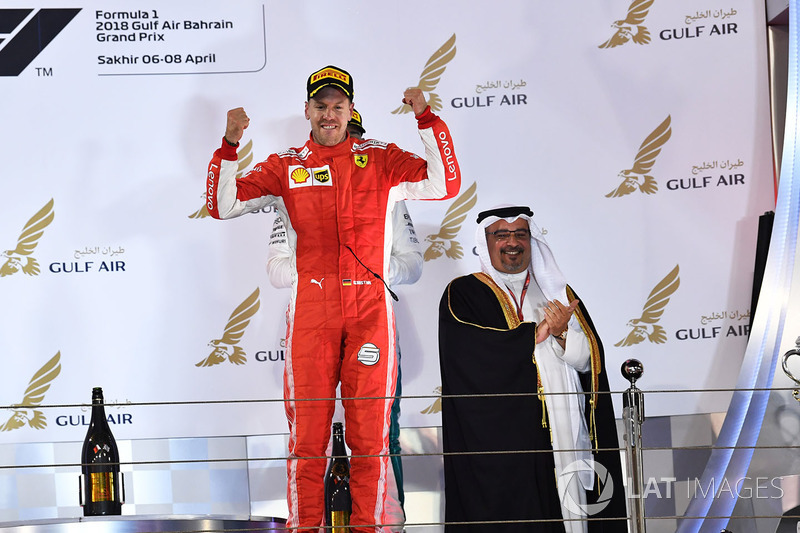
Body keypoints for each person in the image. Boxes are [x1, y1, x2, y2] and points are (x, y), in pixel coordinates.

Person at [205, 65, 461, 532]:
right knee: (307, 441)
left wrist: (427, 120)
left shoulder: (381, 157)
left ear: (350, 109)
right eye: (320, 106)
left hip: (369, 313)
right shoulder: (286, 164)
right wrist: (228, 146)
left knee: (371, 441)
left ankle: (370, 528)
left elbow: (445, 184)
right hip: (312, 316)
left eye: (337, 106)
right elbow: (221, 206)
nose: (329, 114)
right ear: (307, 110)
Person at [266, 109, 419, 531]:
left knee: (379, 437)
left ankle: (387, 521)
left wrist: (371, 272)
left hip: (373, 325)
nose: (354, 158)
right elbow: (277, 266)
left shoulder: (389, 196)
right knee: (310, 440)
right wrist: (320, 273)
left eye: (358, 141)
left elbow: (412, 264)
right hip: (317, 320)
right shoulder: (298, 195)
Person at [437, 205, 625, 532]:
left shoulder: (558, 292)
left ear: (531, 240)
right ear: (486, 242)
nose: (512, 242)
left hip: (567, 424)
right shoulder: (464, 294)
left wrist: (563, 333)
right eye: (501, 235)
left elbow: (589, 362)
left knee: (573, 510)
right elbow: (467, 359)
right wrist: (530, 337)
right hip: (507, 443)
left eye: (520, 234)